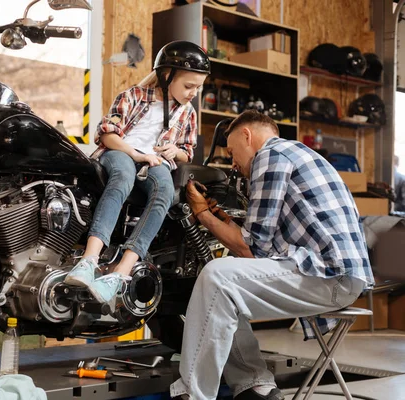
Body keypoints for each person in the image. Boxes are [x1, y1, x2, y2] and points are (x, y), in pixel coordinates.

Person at [171, 110, 374, 400]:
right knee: (224, 291)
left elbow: (250, 249)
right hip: (336, 274)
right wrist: (224, 221)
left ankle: (193, 394)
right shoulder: (299, 154)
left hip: (328, 275)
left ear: (247, 136)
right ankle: (256, 386)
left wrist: (202, 213)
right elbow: (259, 247)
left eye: (231, 151)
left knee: (217, 276)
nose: (233, 162)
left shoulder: (271, 155)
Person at [63, 41, 210, 303]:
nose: (193, 93)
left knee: (165, 192)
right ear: (166, 76)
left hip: (156, 161)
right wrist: (137, 155)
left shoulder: (188, 113)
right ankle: (89, 260)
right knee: (123, 177)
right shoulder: (133, 95)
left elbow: (187, 151)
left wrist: (172, 151)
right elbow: (108, 135)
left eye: (198, 87)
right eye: (189, 86)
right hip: (122, 152)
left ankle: (122, 271)